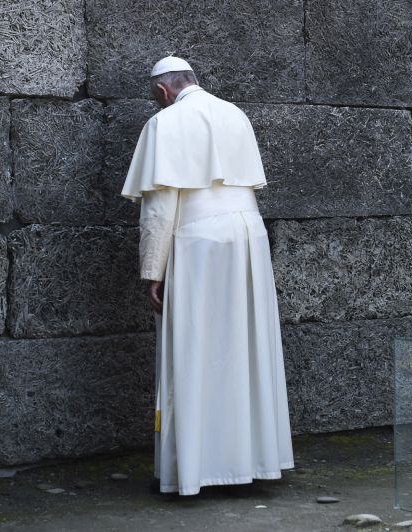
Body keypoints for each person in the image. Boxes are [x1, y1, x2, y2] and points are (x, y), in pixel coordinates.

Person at [121, 56, 294, 496]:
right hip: (249, 236)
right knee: (247, 348)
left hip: (198, 242)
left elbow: (160, 209)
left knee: (194, 350)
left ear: (162, 90)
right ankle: (252, 464)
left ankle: (195, 470)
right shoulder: (236, 114)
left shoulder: (164, 123)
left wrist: (153, 271)